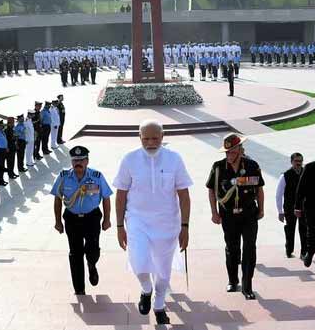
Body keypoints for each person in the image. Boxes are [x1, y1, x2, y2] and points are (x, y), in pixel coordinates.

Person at [113, 119, 193, 326]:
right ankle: (146, 289)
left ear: (163, 137)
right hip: (137, 220)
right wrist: (120, 226)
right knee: (139, 263)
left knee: (164, 272)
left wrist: (185, 226)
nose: (150, 143)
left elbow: (184, 195)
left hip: (168, 223)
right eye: (145, 138)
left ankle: (159, 305)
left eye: (155, 138)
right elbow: (120, 195)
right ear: (139, 137)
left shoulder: (174, 159)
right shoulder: (129, 159)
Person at [206, 133, 264, 299]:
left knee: (249, 248)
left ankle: (247, 286)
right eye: (226, 152)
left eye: (231, 151)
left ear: (240, 150)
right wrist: (214, 212)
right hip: (228, 215)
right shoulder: (218, 167)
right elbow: (211, 190)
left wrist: (261, 209)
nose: (229, 155)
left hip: (248, 214)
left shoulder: (252, 165)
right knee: (232, 249)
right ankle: (233, 280)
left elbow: (259, 188)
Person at [52, 145, 113, 295]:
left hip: (91, 218)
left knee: (92, 250)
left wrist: (107, 219)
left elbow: (106, 197)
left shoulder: (97, 177)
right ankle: (79, 289)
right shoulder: (63, 176)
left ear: (87, 161)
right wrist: (58, 221)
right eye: (75, 160)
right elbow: (58, 199)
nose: (78, 163)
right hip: (72, 219)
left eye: (81, 160)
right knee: (75, 253)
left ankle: (92, 265)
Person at [275, 152, 306, 260]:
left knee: (304, 229)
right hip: (289, 208)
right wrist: (280, 211)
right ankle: (289, 250)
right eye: (296, 161)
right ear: (291, 162)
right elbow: (278, 194)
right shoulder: (285, 175)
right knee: (290, 229)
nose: (299, 163)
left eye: (300, 161)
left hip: (303, 207)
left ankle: (304, 252)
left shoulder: (305, 173)